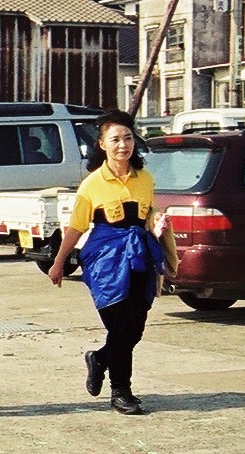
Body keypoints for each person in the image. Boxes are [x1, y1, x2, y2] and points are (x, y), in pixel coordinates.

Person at [49, 109, 177, 416]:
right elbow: (76, 228)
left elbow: (147, 217)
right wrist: (59, 262)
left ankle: (100, 359)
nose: (123, 145)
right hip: (105, 262)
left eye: (128, 138)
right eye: (115, 139)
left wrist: (158, 226)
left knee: (136, 328)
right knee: (120, 326)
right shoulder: (92, 184)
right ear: (102, 144)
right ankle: (121, 391)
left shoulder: (144, 178)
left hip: (140, 260)